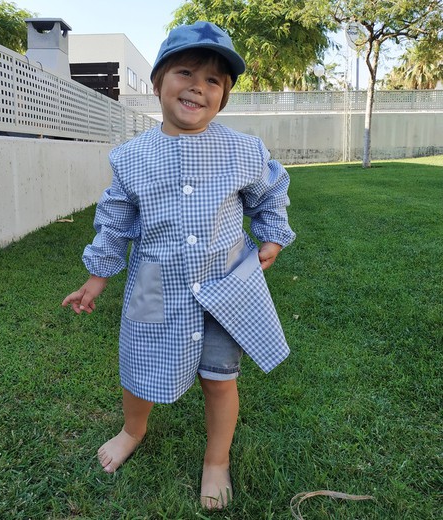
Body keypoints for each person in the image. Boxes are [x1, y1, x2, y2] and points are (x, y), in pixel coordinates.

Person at [62, 21, 296, 510]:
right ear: (158, 82)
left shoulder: (242, 150)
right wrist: (96, 277)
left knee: (219, 377)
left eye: (214, 81)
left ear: (224, 96)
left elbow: (270, 192)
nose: (198, 86)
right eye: (186, 72)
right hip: (153, 283)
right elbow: (115, 222)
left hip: (225, 286)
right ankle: (133, 430)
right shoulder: (132, 157)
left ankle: (216, 460)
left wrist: (272, 235)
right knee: (139, 365)